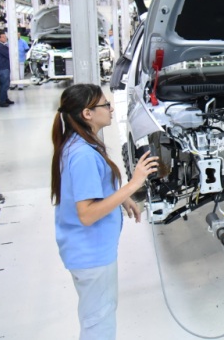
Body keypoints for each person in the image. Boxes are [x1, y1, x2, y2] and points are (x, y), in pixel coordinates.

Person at [51, 84, 158, 339]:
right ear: (87, 113)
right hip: (91, 254)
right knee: (98, 324)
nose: (111, 109)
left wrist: (120, 197)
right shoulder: (83, 155)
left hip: (85, 249)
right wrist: (134, 183)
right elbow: (87, 214)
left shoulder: (77, 143)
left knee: (97, 316)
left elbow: (88, 188)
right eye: (105, 105)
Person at [0, 30, 13, 107]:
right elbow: (8, 54)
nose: (5, 38)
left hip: (4, 67)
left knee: (4, 84)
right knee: (5, 85)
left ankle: (5, 98)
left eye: (5, 37)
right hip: (3, 68)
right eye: (3, 37)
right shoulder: (0, 46)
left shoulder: (2, 46)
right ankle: (2, 101)